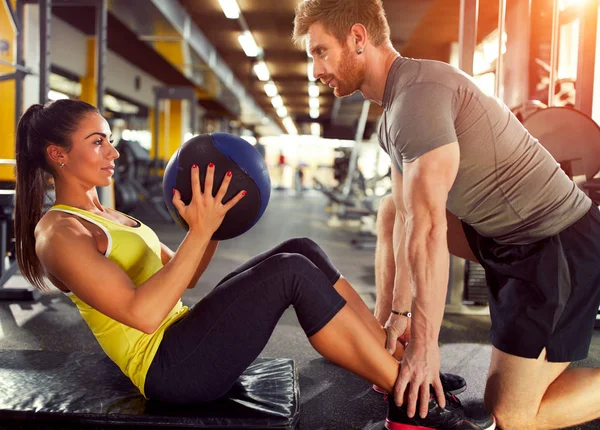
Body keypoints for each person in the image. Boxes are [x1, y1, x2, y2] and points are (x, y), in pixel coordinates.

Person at [12, 100, 483, 428]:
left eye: (110, 139)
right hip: (168, 369)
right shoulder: (60, 233)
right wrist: (199, 231)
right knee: (290, 273)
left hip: (182, 336)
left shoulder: (110, 215)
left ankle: (395, 359)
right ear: (58, 155)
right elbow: (142, 314)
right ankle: (409, 400)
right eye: (98, 142)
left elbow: (187, 274)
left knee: (299, 248)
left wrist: (213, 226)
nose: (114, 152)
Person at [293, 0, 600, 429]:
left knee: (510, 417)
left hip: (555, 246)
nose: (315, 70)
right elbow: (404, 218)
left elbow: (430, 228)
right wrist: (399, 316)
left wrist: (426, 345)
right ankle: (389, 347)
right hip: (498, 238)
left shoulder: (417, 97)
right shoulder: (394, 109)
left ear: (358, 38)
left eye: (320, 51)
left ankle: (414, 351)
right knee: (390, 211)